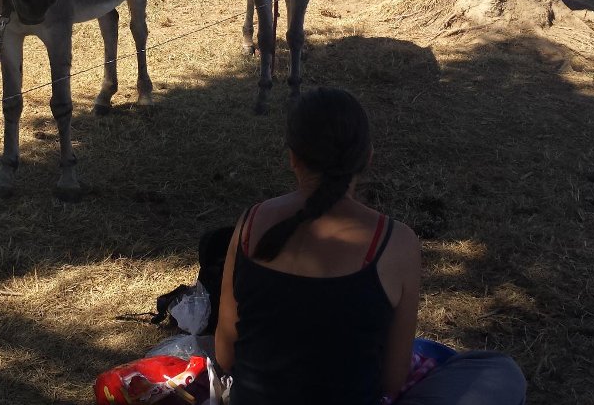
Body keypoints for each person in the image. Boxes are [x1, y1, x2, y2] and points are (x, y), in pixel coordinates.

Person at [215, 87, 526, 405]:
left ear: (293, 157)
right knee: (501, 370)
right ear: (368, 157)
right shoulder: (396, 241)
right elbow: (391, 382)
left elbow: (224, 356)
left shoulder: (250, 223)